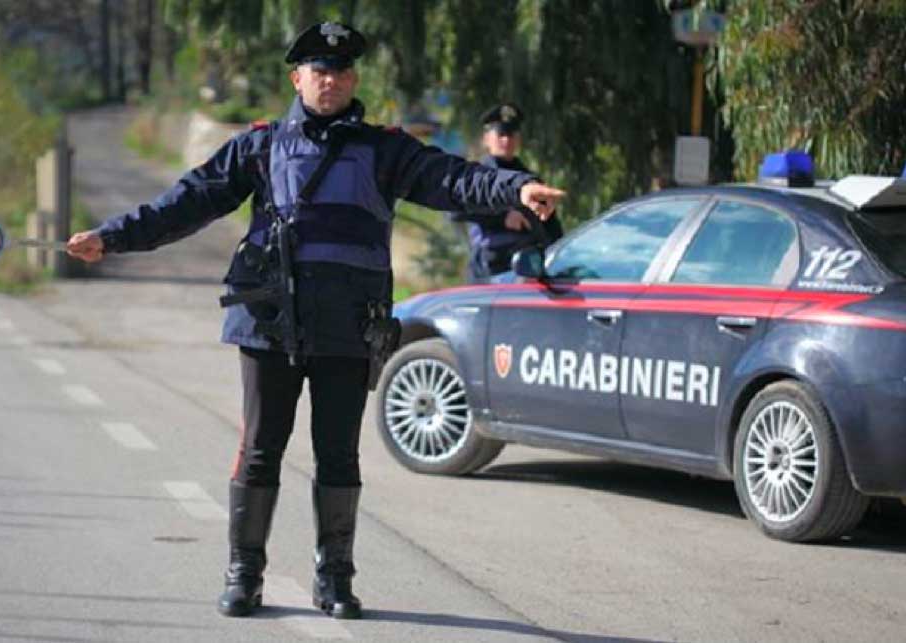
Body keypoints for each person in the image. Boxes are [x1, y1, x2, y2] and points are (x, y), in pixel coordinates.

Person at [66, 22, 564, 621]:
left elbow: (456, 177)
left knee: (338, 457)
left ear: (353, 79)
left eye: (342, 71)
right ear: (296, 77)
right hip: (270, 324)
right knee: (259, 452)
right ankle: (244, 574)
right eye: (319, 70)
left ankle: (335, 579)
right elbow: (189, 200)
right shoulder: (261, 145)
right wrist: (113, 237)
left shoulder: (386, 151)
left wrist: (518, 188)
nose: (331, 80)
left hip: (347, 328)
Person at [450, 103, 564, 282]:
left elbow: (551, 225)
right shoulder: (477, 175)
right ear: (487, 138)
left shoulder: (530, 179)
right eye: (501, 134)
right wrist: (503, 218)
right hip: (491, 266)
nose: (506, 141)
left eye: (511, 135)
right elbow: (456, 210)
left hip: (529, 265)